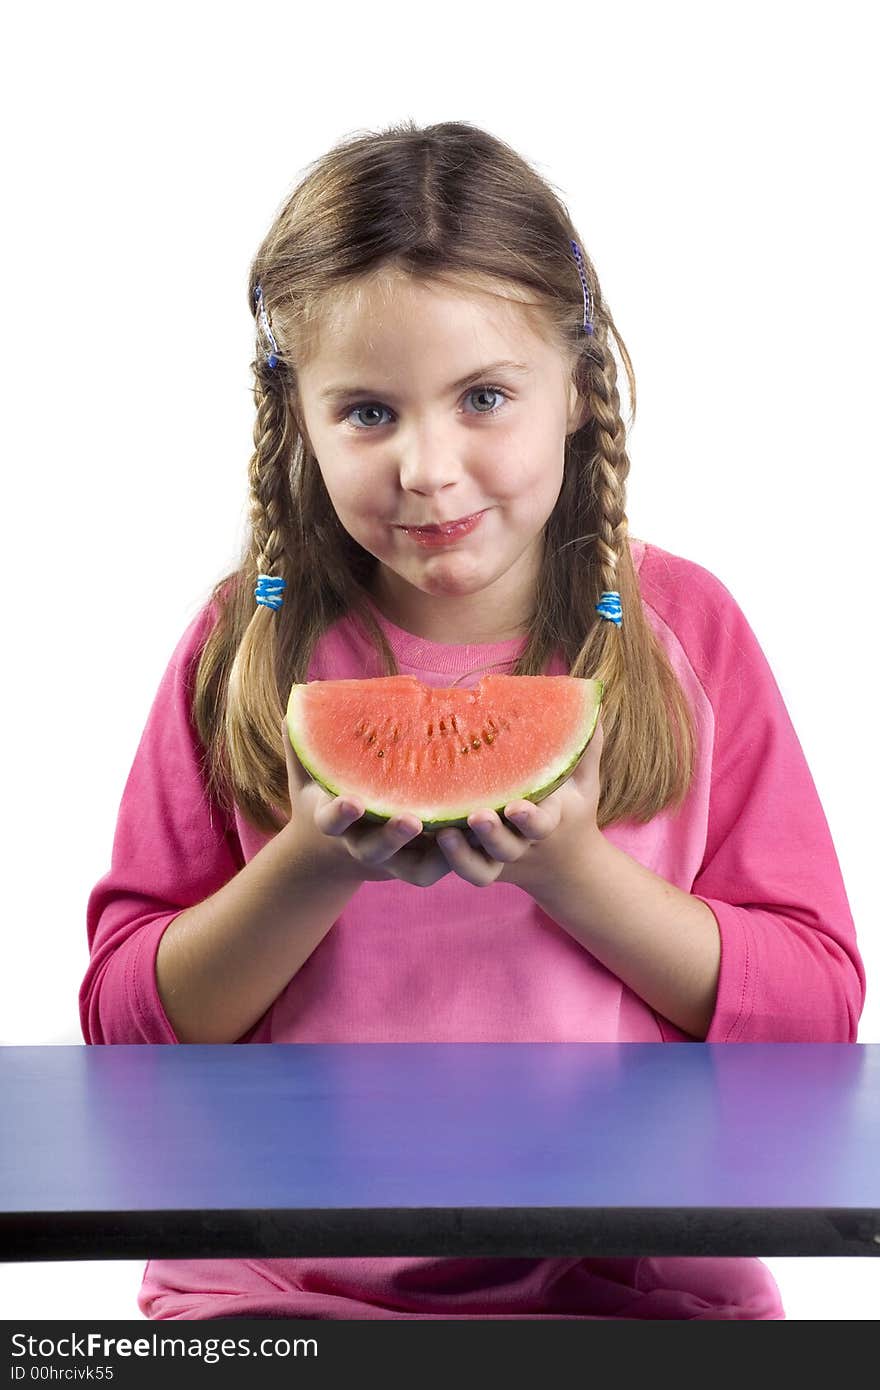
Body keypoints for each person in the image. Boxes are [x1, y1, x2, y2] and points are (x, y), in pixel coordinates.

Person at [80, 119, 865, 1321]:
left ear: (576, 391)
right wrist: (304, 866)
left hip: (629, 1271)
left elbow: (815, 1015)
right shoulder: (246, 644)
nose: (428, 468)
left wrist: (576, 873)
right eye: (368, 413)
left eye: (483, 397)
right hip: (281, 1281)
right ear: (298, 419)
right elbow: (122, 1037)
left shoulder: (684, 633)